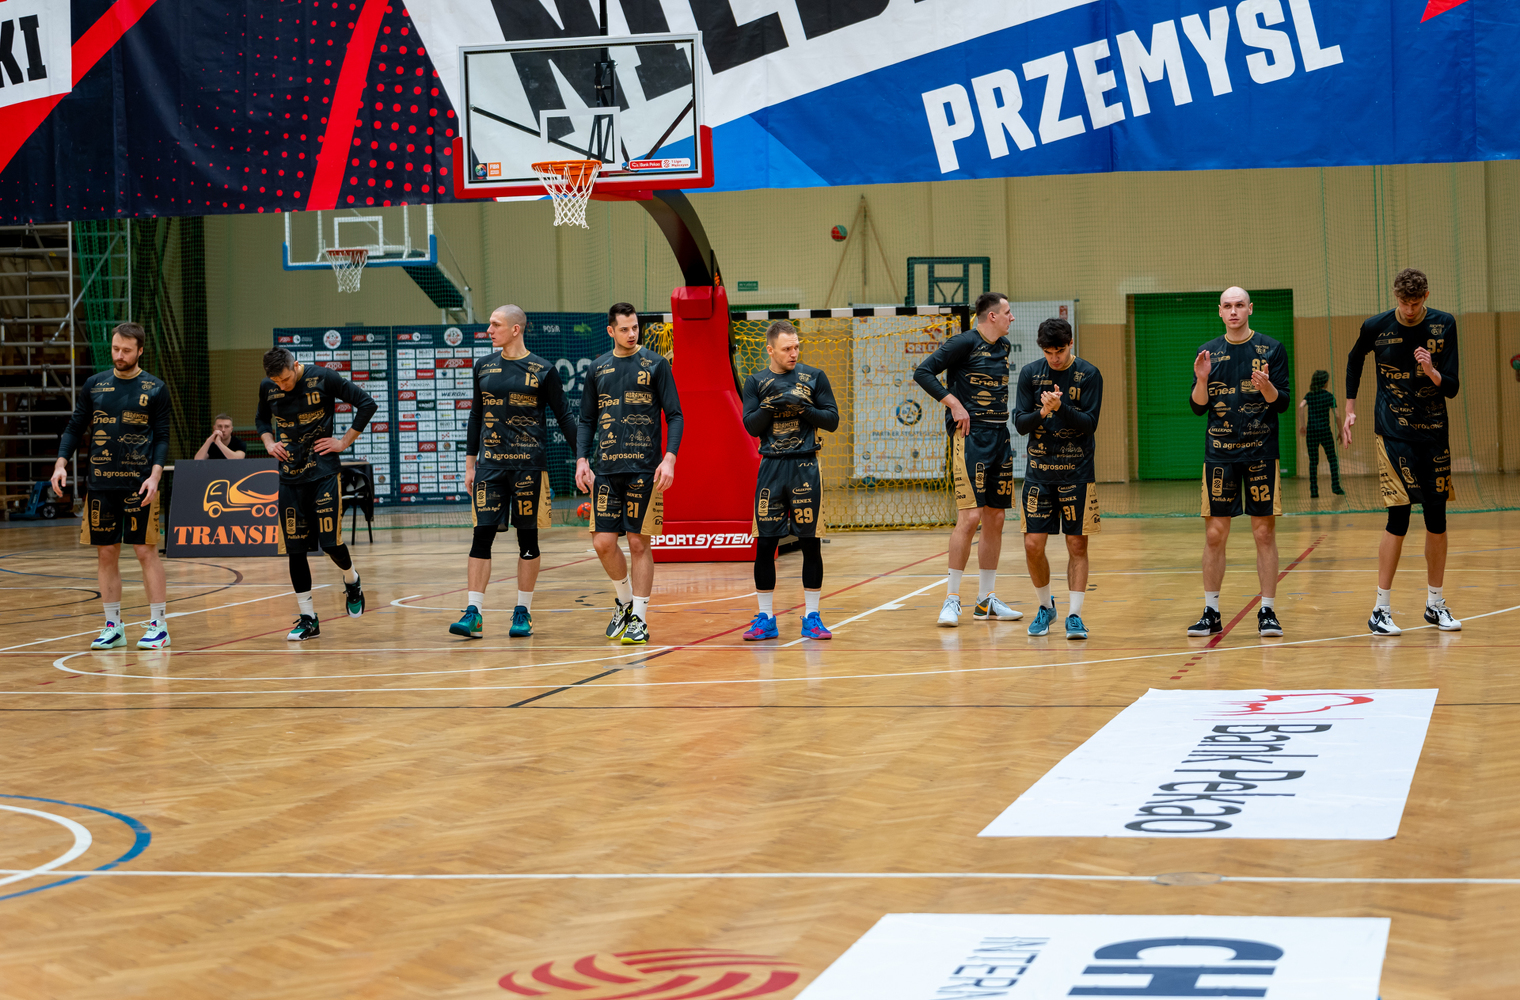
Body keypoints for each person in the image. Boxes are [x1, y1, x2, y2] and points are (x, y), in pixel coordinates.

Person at [1343, 267, 1462, 634]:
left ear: (1425, 296)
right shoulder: (1376, 326)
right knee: (1399, 518)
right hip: (1393, 432)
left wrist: (1432, 370)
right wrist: (1349, 408)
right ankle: (1380, 609)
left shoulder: (1444, 324)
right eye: (1403, 302)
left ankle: (1435, 604)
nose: (1409, 310)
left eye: (1415, 303)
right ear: (1395, 297)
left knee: (1437, 520)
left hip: (1434, 433)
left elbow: (1452, 387)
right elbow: (1354, 360)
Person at [451, 305, 577, 640]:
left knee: (527, 540)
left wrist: (583, 459)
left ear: (515, 329)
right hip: (490, 467)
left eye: (496, 324)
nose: (489, 330)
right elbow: (475, 416)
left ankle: (523, 611)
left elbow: (565, 417)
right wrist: (470, 465)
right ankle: (473, 612)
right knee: (481, 536)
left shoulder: (543, 370)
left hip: (528, 468)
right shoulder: (483, 366)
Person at [52, 322, 172, 650]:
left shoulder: (155, 388)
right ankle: (113, 626)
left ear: (140, 351)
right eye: (116, 349)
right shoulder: (95, 385)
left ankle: (159, 625)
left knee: (145, 551)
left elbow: (162, 436)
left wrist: (155, 476)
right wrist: (61, 463)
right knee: (106, 553)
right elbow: (75, 426)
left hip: (139, 484)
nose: (119, 355)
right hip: (100, 484)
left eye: (127, 350)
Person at [574, 303, 683, 646]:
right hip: (606, 470)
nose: (631, 333)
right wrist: (581, 460)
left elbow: (675, 415)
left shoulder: (656, 364)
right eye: (624, 329)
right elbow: (586, 419)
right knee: (603, 543)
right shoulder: (598, 368)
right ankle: (623, 602)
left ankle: (640, 618)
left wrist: (669, 459)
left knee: (638, 543)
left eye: (635, 327)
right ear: (611, 331)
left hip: (644, 470)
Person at [914, 291, 1023, 627]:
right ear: (992, 316)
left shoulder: (1004, 347)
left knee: (996, 517)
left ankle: (985, 599)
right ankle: (951, 599)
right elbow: (923, 372)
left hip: (999, 436)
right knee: (970, 516)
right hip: (970, 437)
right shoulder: (963, 342)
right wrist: (954, 404)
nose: (1012, 317)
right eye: (1007, 312)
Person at [1187, 286, 1291, 638]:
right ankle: (1211, 611)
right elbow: (1198, 406)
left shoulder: (1271, 348)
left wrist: (1267, 388)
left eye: (1239, 305)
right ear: (1220, 311)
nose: (1233, 311)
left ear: (1250, 309)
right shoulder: (1208, 352)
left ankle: (1267, 611)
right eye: (1228, 306)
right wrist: (1202, 379)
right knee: (1215, 534)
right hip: (1220, 454)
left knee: (1264, 532)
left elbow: (1282, 403)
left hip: (1261, 452)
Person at [256, 347, 378, 641]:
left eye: (286, 380)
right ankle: (308, 618)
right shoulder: (268, 387)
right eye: (277, 382)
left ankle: (352, 580)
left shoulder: (324, 378)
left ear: (296, 366)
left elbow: (367, 404)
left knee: (330, 544)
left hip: (323, 473)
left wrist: (343, 442)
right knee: (295, 550)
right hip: (289, 477)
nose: (283, 386)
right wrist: (269, 442)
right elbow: (261, 419)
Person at [740, 321, 840, 641]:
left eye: (796, 347)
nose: (794, 353)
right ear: (770, 350)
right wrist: (770, 406)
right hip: (771, 468)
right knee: (765, 544)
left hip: (805, 465)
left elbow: (832, 420)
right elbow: (751, 426)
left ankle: (812, 617)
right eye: (787, 348)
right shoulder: (756, 382)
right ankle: (765, 618)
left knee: (810, 542)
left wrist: (803, 408)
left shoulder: (814, 377)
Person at [1013, 317, 1103, 640]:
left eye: (1060, 351)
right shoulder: (1030, 374)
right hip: (1038, 474)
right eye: (1048, 352)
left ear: (1070, 344)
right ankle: (1045, 607)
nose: (1054, 358)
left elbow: (1089, 424)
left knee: (1076, 543)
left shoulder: (1089, 374)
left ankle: (1074, 615)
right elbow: (1020, 423)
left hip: (1077, 472)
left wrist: (1060, 407)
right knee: (1032, 544)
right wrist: (1043, 411)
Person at [1298, 371, 1343, 499]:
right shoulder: (1329, 396)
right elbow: (1337, 416)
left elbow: (1301, 407)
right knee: (1332, 459)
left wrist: (1303, 425)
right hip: (1325, 432)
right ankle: (1336, 487)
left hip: (1312, 432)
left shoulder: (1310, 395)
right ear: (1325, 382)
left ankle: (1314, 491)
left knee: (1313, 461)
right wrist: (1340, 431)